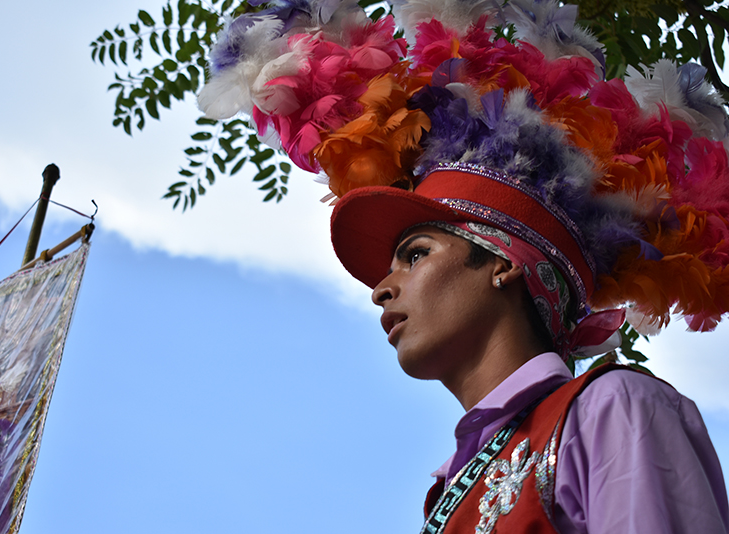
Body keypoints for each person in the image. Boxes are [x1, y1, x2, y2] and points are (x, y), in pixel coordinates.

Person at [198, 0, 729, 530]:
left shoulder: (612, 407)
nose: (381, 290)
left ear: (505, 264)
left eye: (415, 255)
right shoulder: (450, 486)